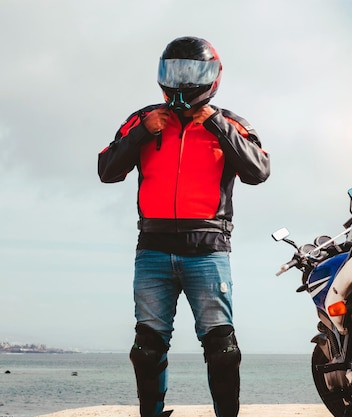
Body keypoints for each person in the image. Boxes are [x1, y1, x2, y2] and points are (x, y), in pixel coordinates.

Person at [98, 36, 270, 417]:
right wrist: (143, 131)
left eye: (192, 73)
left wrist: (219, 127)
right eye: (174, 72)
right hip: (153, 250)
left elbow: (259, 171)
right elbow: (106, 171)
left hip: (207, 251)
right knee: (146, 348)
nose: (181, 81)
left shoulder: (231, 124)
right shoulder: (141, 120)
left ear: (213, 77)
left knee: (222, 350)